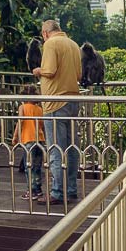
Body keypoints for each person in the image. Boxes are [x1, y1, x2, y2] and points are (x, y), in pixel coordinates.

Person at [32, 20, 81, 205]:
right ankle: (71, 189)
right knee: (71, 148)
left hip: (54, 102)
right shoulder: (73, 44)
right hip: (73, 101)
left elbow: (50, 71)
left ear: (45, 33)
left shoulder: (51, 44)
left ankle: (57, 191)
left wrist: (38, 71)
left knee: (56, 149)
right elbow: (78, 75)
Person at [14, 85, 46, 201]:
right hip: (40, 140)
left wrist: (15, 136)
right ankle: (38, 190)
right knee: (37, 167)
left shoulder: (22, 107)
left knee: (29, 167)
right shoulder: (39, 109)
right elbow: (42, 124)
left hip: (28, 139)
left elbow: (20, 121)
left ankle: (31, 191)